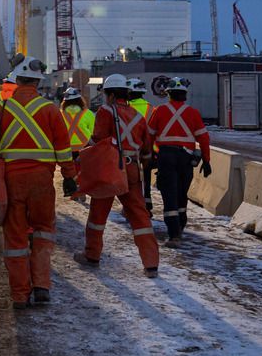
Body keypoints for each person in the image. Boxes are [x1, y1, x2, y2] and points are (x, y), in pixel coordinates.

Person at [0, 56, 77, 309]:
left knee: (15, 236)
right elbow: (64, 149)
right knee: (43, 230)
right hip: (42, 180)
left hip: (12, 180)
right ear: (38, 82)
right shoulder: (51, 110)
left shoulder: (1, 110)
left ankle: (20, 295)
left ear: (17, 80)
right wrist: (69, 177)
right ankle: (42, 285)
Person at [73, 73, 160, 278]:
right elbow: (147, 149)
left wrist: (81, 156)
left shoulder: (105, 111)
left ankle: (92, 255)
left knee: (98, 214)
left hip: (111, 168)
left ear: (110, 94)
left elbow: (98, 139)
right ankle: (151, 264)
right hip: (132, 169)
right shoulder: (138, 116)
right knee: (139, 215)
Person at [147, 77, 211, 246]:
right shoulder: (193, 113)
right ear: (185, 95)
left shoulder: (159, 111)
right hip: (187, 157)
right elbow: (203, 138)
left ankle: (174, 234)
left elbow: (149, 135)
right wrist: (206, 160)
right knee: (182, 194)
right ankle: (180, 226)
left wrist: (152, 155)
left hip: (166, 157)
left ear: (168, 94)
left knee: (169, 195)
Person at [127, 78, 156, 213]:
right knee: (146, 177)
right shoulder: (152, 108)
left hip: (130, 149)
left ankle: (134, 206)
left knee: (132, 180)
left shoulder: (126, 109)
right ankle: (147, 203)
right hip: (149, 149)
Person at [59, 87, 94, 162]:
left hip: (65, 150)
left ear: (64, 101)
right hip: (85, 149)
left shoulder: (59, 115)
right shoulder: (88, 113)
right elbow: (93, 133)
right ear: (80, 100)